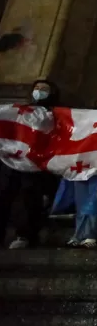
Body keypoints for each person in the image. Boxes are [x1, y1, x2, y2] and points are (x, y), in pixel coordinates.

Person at [0, 80, 62, 249]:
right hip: (10, 161)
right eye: (37, 88)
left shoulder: (58, 114)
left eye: (44, 89)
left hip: (35, 166)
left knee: (30, 200)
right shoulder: (18, 110)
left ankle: (25, 236)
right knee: (3, 197)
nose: (39, 91)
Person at [53, 95, 97, 249]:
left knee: (94, 203)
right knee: (81, 203)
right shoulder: (84, 123)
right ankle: (78, 235)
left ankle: (91, 235)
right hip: (81, 167)